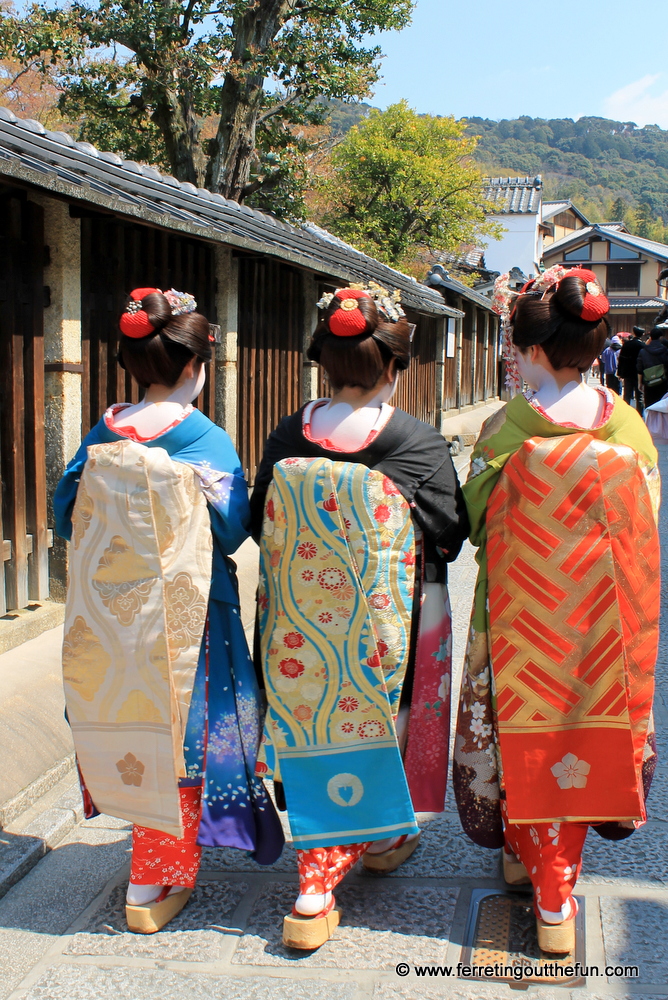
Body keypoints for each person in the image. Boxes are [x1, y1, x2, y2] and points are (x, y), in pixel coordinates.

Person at [54, 287, 283, 934]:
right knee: (185, 736)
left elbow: (65, 516)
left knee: (131, 723)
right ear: (195, 367)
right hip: (192, 616)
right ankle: (153, 878)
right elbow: (235, 531)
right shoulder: (204, 439)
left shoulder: (105, 430)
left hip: (111, 616)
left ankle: (158, 854)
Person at [250, 285, 469, 949]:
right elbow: (452, 533)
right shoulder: (416, 442)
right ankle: (344, 861)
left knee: (314, 721)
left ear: (322, 363)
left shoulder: (291, 434)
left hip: (301, 635)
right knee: (387, 714)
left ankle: (335, 846)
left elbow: (262, 525)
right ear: (395, 367)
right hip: (386, 633)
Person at [454, 266, 660, 955]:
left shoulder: (502, 430)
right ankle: (554, 880)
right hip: (602, 624)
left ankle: (542, 878)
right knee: (579, 737)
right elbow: (646, 520)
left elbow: (477, 521)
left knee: (519, 735)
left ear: (533, 351)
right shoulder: (627, 428)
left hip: (515, 620)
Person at [637, 327, 668, 407]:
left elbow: (640, 368)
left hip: (649, 382)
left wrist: (640, 383)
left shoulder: (643, 351)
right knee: (662, 405)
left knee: (650, 406)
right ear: (661, 337)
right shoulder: (665, 350)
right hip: (663, 382)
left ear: (650, 337)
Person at [617, 327, 645, 414]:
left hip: (627, 372)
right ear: (642, 335)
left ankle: (625, 411)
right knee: (639, 394)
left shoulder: (627, 344)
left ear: (634, 333)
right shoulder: (643, 345)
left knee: (627, 393)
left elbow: (621, 359)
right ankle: (639, 413)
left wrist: (620, 373)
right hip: (638, 373)